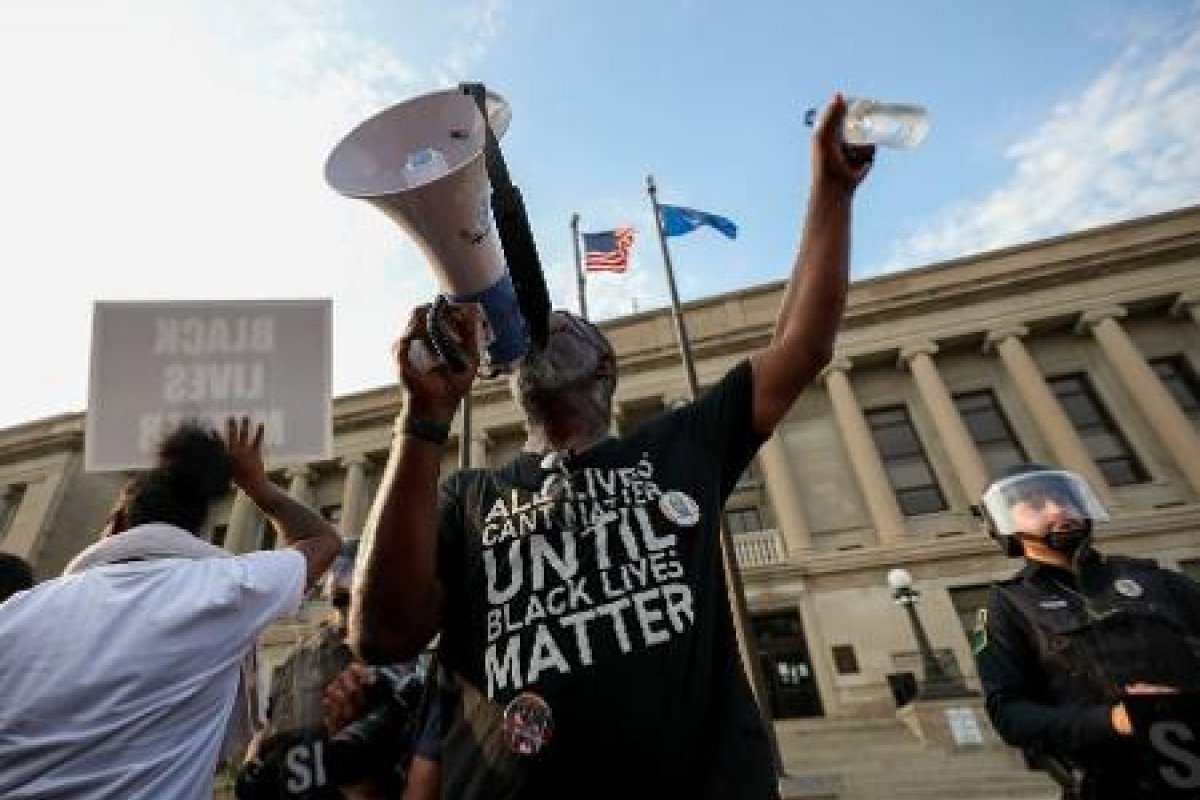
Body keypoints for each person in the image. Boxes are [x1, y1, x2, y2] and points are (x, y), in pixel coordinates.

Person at [343, 92, 874, 799]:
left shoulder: (681, 446)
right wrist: (422, 418)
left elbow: (801, 346)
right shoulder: (464, 498)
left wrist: (831, 193)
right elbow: (382, 637)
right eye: (543, 322)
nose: (550, 320)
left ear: (607, 368)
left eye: (571, 325)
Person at [0, 417, 341, 800]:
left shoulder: (14, 613)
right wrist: (257, 487)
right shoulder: (226, 591)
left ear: (117, 524)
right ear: (195, 529)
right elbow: (323, 540)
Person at [974, 462, 1200, 799]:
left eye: (1065, 499)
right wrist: (1113, 720)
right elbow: (1010, 714)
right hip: (1109, 783)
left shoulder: (1155, 579)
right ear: (1002, 525)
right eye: (1036, 505)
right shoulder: (1008, 604)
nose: (1058, 510)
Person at [238, 537, 440, 800]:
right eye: (341, 599)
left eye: (357, 597)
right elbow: (266, 727)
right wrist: (252, 766)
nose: (348, 611)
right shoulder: (301, 658)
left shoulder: (405, 667)